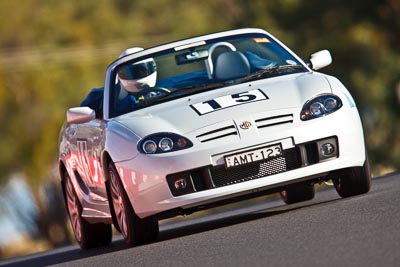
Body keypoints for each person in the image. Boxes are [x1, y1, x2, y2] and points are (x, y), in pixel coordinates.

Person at [81, 47, 157, 118]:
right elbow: (78, 121)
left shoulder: (167, 88)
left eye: (142, 70)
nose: (136, 74)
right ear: (120, 73)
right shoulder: (101, 97)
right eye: (129, 72)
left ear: (152, 67)